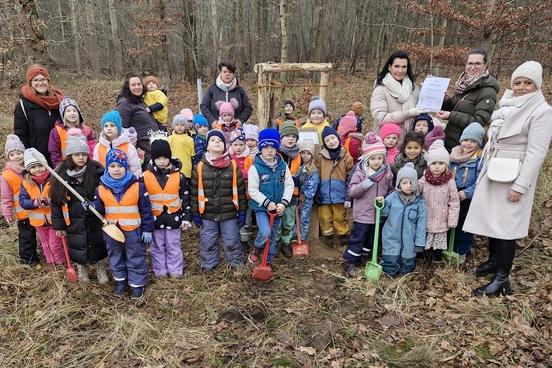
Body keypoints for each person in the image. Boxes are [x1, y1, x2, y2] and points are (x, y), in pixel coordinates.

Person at [463, 61, 552, 297]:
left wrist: (520, 185)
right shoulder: (507, 105)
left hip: (514, 174)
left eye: (527, 83)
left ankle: (502, 278)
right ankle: (493, 262)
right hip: (495, 168)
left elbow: (536, 152)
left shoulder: (542, 111)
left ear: (537, 85)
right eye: (518, 82)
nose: (521, 87)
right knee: (494, 220)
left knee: (507, 226)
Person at [94, 149, 154, 300]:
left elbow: (146, 210)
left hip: (133, 231)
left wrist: (147, 230)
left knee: (135, 256)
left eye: (120, 166)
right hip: (112, 231)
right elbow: (99, 209)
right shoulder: (100, 188)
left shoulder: (138, 186)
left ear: (126, 167)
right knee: (115, 256)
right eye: (113, 166)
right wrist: (92, 206)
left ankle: (137, 284)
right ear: (107, 168)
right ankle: (120, 281)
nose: (116, 169)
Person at [49, 132, 108, 283]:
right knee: (77, 244)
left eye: (83, 154)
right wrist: (59, 226)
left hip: (94, 217)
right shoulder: (61, 175)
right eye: (77, 154)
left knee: (98, 243)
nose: (81, 157)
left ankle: (101, 269)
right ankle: (82, 270)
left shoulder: (97, 171)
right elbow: (56, 203)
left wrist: (99, 208)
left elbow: (105, 194)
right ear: (70, 156)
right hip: (74, 218)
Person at [190, 130, 247, 272]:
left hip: (229, 213)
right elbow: (194, 193)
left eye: (220, 140)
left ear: (225, 146)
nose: (217, 142)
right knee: (208, 241)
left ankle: (235, 264)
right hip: (207, 213)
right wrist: (195, 213)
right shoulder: (200, 167)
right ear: (207, 146)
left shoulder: (232, 166)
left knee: (231, 240)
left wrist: (243, 211)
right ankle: (209, 264)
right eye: (213, 140)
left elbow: (240, 190)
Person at [343, 133, 393, 277]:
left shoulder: (387, 173)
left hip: (378, 214)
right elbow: (352, 192)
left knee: (372, 239)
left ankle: (363, 258)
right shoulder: (360, 173)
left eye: (379, 158)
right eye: (373, 158)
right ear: (367, 158)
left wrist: (385, 200)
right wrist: (364, 185)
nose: (376, 161)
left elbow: (390, 190)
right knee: (358, 237)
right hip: (363, 214)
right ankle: (351, 262)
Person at [142, 137, 191, 278]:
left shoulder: (179, 176)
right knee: (157, 246)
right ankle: (160, 271)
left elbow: (185, 197)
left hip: (173, 218)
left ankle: (175, 270)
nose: (162, 161)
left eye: (165, 158)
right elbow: (142, 200)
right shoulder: (145, 176)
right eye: (158, 158)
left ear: (169, 157)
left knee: (173, 245)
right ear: (153, 158)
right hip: (154, 219)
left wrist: (186, 218)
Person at [247, 128, 294, 267]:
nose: (269, 151)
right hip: (262, 208)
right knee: (265, 232)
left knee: (273, 236)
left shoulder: (282, 166)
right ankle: (256, 249)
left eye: (273, 147)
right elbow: (252, 190)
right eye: (266, 147)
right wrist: (267, 203)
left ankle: (267, 261)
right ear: (260, 148)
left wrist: (284, 203)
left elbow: (289, 185)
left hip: (278, 208)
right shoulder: (255, 168)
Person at [437, 48, 500, 151]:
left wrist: (451, 115)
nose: (473, 67)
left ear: (485, 66)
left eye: (477, 64)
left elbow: (479, 122)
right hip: (450, 139)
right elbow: (456, 107)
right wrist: (446, 100)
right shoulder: (464, 84)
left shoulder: (488, 91)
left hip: (467, 145)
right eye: (470, 63)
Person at [19, 149, 64, 267]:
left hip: (54, 220)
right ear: (28, 169)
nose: (37, 169)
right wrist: (34, 203)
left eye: (40, 165)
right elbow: (23, 202)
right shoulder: (25, 183)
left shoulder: (54, 179)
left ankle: (60, 262)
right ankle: (51, 263)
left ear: (45, 165)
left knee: (55, 243)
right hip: (38, 222)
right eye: (33, 167)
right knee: (45, 244)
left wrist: (51, 201)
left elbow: (61, 197)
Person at [380, 162, 426, 276]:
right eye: (404, 182)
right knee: (390, 259)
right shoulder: (392, 197)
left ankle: (404, 276)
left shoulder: (420, 203)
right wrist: (381, 204)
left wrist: (420, 242)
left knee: (407, 262)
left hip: (410, 239)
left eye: (411, 182)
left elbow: (421, 224)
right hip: (391, 236)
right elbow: (384, 212)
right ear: (399, 184)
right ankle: (389, 275)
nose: (408, 185)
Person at [417, 140, 460, 263]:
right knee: (424, 237)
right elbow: (416, 193)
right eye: (434, 163)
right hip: (425, 215)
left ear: (446, 165)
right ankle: (423, 258)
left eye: (441, 163)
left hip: (441, 217)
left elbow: (454, 202)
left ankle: (437, 259)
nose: (437, 166)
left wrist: (452, 219)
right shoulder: (424, 180)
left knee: (439, 241)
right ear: (428, 165)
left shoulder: (450, 182)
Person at [14, 64, 64, 166]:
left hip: (61, 156)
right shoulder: (23, 105)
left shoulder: (60, 102)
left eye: (43, 79)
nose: (40, 83)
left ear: (48, 81)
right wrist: (30, 158)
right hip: (39, 161)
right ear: (30, 83)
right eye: (36, 80)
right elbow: (21, 135)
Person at [449, 123, 485, 264]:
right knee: (451, 222)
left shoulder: (479, 159)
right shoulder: (454, 154)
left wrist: (466, 193)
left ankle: (461, 251)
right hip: (452, 193)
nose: (468, 144)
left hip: (467, 196)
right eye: (466, 140)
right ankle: (449, 246)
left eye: (473, 141)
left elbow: (480, 181)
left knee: (463, 225)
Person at [1, 134, 38, 265]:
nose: (16, 157)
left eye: (19, 153)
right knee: (26, 237)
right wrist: (7, 212)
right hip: (22, 213)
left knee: (40, 235)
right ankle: (28, 260)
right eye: (12, 154)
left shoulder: (31, 169)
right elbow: (6, 197)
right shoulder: (6, 175)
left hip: (37, 209)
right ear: (8, 157)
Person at [315, 126, 354, 247]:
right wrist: (317, 191)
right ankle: (328, 234)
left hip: (340, 192)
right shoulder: (321, 157)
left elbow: (351, 176)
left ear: (338, 138)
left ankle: (343, 234)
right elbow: (316, 174)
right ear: (325, 143)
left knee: (340, 215)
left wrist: (348, 194)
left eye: (333, 138)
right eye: (327, 140)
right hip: (324, 192)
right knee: (325, 216)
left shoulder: (346, 156)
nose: (331, 141)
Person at [370, 51, 423, 134]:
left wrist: (428, 91)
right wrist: (407, 114)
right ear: (389, 67)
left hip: (409, 141)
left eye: (404, 67)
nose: (400, 70)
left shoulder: (413, 88)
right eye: (397, 66)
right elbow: (380, 118)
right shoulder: (380, 89)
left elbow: (421, 110)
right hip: (387, 141)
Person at [116, 73, 159, 164]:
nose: (137, 87)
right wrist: (135, 147)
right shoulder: (125, 103)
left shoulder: (140, 100)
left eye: (139, 84)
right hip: (142, 150)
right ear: (128, 87)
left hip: (152, 145)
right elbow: (121, 130)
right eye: (133, 85)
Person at [275, 121, 302, 258]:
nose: (291, 138)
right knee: (277, 221)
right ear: (281, 138)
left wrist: (299, 181)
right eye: (287, 136)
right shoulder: (275, 154)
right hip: (277, 194)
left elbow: (303, 174)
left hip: (292, 195)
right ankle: (275, 243)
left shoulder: (299, 156)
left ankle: (286, 243)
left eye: (293, 136)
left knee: (288, 221)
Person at [200, 61, 253, 127]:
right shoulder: (212, 89)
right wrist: (212, 121)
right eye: (225, 72)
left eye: (230, 72)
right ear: (220, 73)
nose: (227, 74)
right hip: (217, 129)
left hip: (235, 129)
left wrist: (240, 120)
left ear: (233, 74)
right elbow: (204, 106)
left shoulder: (239, 90)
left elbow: (248, 108)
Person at [48, 97, 95, 167]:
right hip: (66, 167)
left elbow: (91, 148)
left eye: (75, 111)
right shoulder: (56, 131)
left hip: (85, 165)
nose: (72, 113)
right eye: (68, 111)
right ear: (63, 114)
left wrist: (90, 164)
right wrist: (59, 167)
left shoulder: (86, 129)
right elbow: (55, 152)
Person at [93, 110, 142, 177]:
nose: (109, 128)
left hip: (126, 183)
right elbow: (96, 167)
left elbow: (136, 169)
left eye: (112, 125)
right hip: (104, 183)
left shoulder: (128, 146)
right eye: (106, 126)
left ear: (118, 127)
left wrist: (133, 183)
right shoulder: (98, 147)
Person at [297, 140, 319, 242]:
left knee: (304, 219)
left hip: (306, 200)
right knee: (296, 218)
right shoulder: (300, 168)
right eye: (303, 153)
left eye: (308, 153)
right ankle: (296, 237)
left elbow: (312, 188)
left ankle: (303, 238)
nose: (305, 156)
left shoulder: (313, 170)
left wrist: (304, 195)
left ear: (312, 155)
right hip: (297, 198)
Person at [168, 114, 195, 180]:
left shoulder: (190, 139)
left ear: (185, 126)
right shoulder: (169, 139)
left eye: (182, 125)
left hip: (186, 168)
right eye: (177, 125)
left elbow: (192, 156)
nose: (179, 127)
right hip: (173, 168)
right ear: (174, 126)